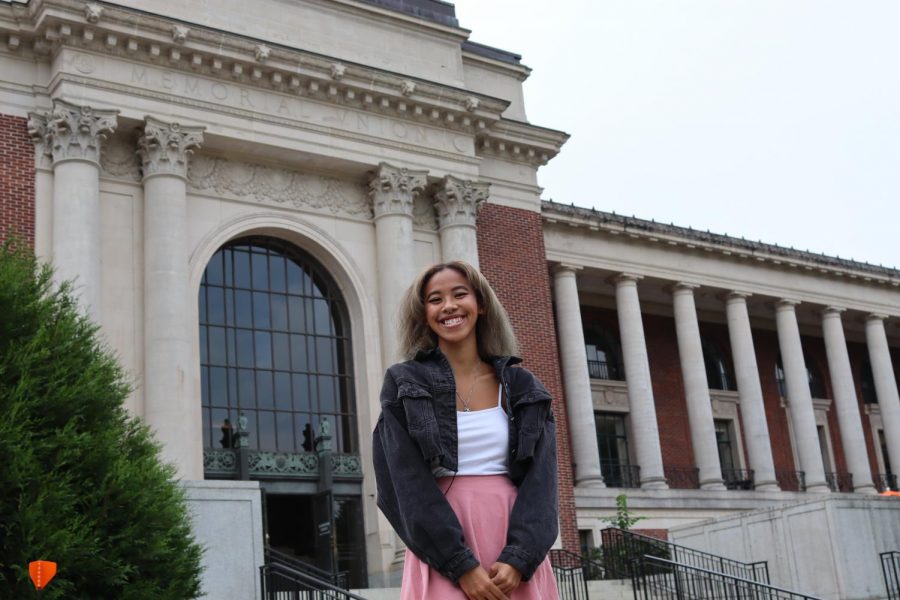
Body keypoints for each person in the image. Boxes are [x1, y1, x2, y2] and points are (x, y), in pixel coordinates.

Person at [373, 261, 560, 600]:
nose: (449, 306)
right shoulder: (404, 382)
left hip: (514, 537)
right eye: (435, 299)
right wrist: (460, 565)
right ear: (423, 312)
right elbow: (402, 483)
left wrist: (519, 557)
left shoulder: (522, 386)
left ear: (481, 304)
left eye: (460, 294)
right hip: (441, 538)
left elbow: (543, 482)